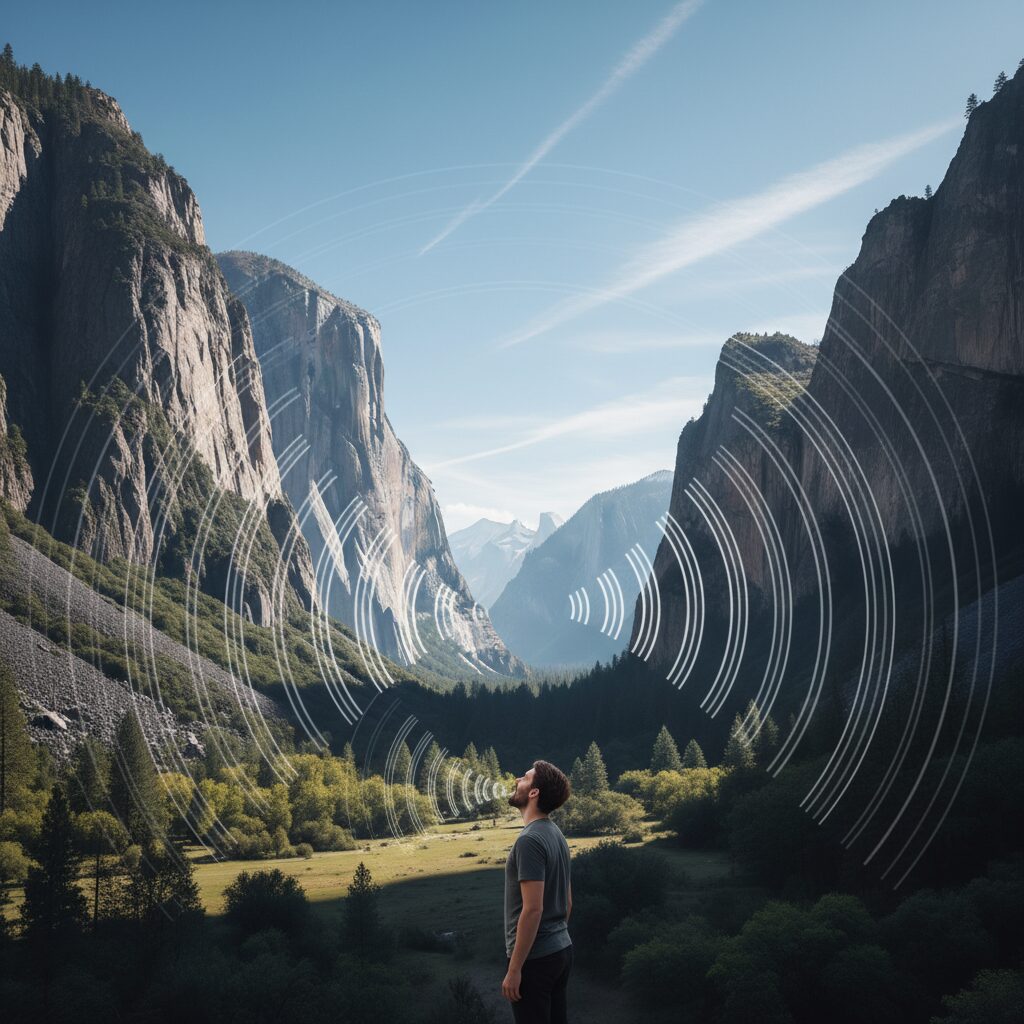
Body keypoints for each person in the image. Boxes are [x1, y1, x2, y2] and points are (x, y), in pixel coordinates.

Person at [501, 759, 574, 1023]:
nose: (517, 780)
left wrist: (515, 969)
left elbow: (533, 909)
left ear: (534, 793)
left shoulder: (529, 840)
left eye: (524, 777)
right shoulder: (556, 834)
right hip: (561, 950)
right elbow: (567, 903)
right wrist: (555, 938)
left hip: (536, 959)